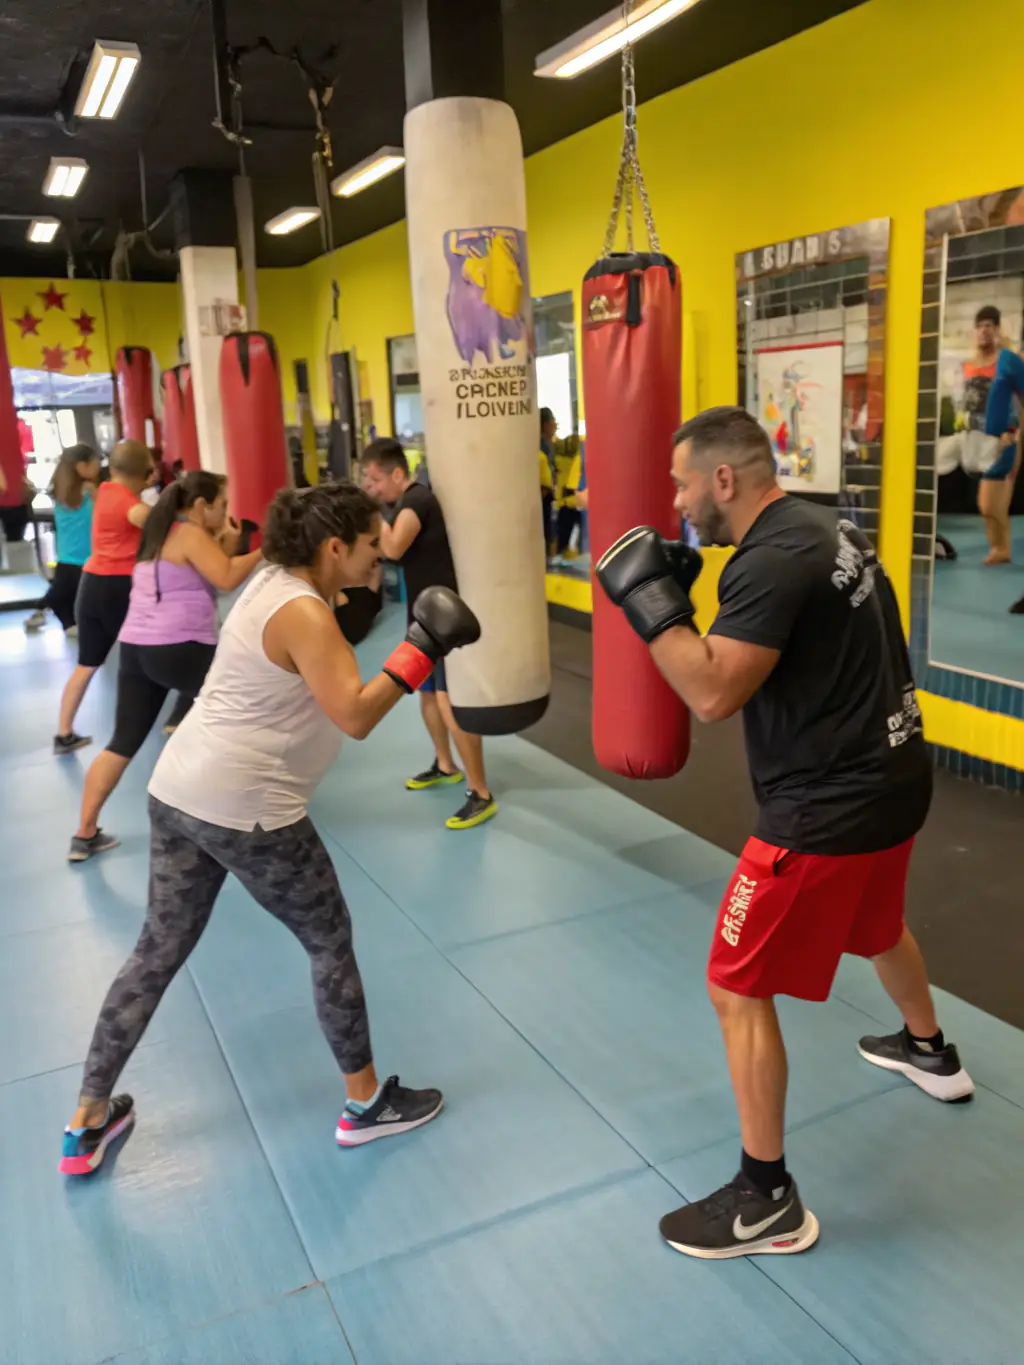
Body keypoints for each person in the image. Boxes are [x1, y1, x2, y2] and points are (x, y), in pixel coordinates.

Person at [596, 405, 972, 1262]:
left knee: (735, 984)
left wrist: (654, 606)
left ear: (723, 479)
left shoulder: (769, 562)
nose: (678, 498)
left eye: (684, 481)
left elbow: (713, 692)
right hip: (897, 775)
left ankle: (765, 1197)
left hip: (824, 809)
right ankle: (929, 1049)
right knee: (876, 925)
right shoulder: (824, 526)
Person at [59, 483, 481, 1176]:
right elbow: (355, 714)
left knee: (156, 951)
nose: (384, 556)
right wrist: (422, 648)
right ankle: (365, 1104)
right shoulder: (304, 613)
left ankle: (86, 1120)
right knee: (329, 939)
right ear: (334, 547)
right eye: (373, 546)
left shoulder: (270, 580)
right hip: (247, 807)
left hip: (178, 790)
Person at [68, 471, 263, 863]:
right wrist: (267, 550)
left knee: (122, 743)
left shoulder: (160, 534)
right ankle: (237, 813)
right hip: (178, 647)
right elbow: (225, 577)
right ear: (200, 506)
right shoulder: (190, 534)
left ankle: (84, 833)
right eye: (221, 505)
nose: (227, 511)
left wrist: (225, 538)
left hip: (137, 649)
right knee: (244, 713)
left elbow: (209, 565)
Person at [360, 437, 498, 831]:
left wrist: (369, 513)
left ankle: (481, 793)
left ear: (398, 473)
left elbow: (394, 548)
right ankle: (444, 764)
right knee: (424, 696)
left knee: (447, 701)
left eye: (375, 480)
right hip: (422, 616)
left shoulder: (417, 501)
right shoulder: (402, 504)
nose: (373, 489)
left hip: (444, 619)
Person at [54, 440, 153, 755]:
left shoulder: (106, 490)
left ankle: (64, 734)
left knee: (87, 663)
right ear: (142, 473)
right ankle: (136, 731)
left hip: (91, 582)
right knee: (141, 655)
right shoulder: (125, 500)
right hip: (116, 586)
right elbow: (147, 519)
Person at [936, 305, 1016, 563]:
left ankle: (1000, 548)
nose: (984, 331)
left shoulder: (1007, 362)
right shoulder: (967, 366)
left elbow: (1017, 399)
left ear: (998, 331)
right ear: (975, 331)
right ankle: (1000, 547)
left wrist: (1012, 430)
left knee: (991, 502)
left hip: (1001, 438)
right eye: (980, 326)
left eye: (989, 326)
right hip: (972, 438)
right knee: (987, 503)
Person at [24, 444, 101, 637]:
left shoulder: (61, 491)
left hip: (67, 554)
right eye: (95, 462)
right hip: (85, 554)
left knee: (63, 592)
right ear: (81, 466)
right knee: (63, 593)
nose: (99, 466)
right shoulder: (89, 490)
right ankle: (62, 620)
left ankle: (61, 620)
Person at [539, 408, 557, 556]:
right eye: (553, 423)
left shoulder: (549, 444)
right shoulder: (541, 446)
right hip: (543, 495)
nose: (555, 426)